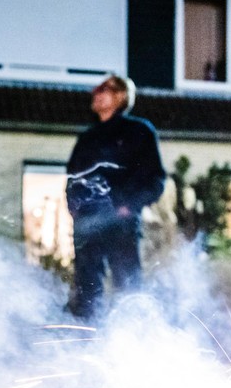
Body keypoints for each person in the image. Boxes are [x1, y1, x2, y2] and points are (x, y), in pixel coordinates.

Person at [65, 74, 166, 319]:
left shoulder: (139, 132)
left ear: (120, 96)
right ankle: (85, 339)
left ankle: (132, 337)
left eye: (104, 89)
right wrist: (76, 210)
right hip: (88, 225)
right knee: (86, 289)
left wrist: (127, 206)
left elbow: (155, 180)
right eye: (96, 89)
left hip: (121, 223)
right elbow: (73, 179)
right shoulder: (87, 139)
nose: (96, 93)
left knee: (127, 286)